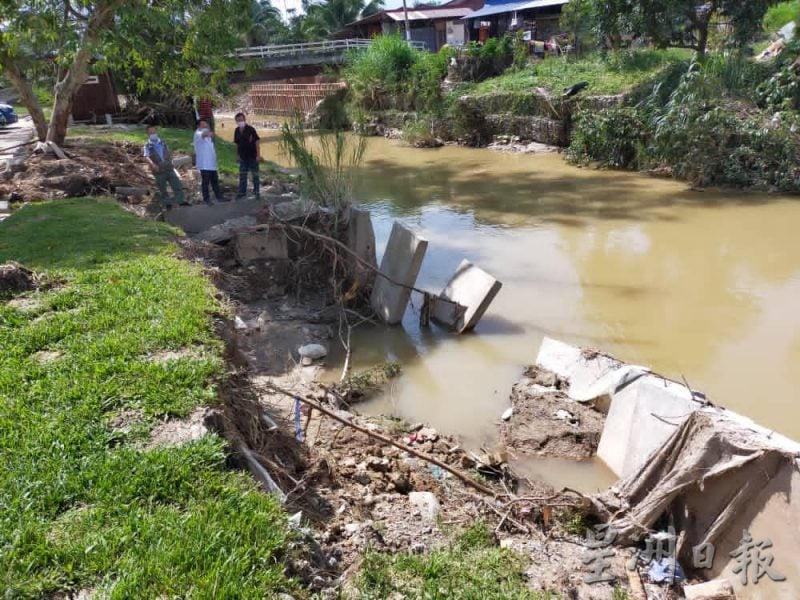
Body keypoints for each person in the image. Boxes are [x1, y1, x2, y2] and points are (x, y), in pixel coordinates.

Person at [143, 125, 186, 209]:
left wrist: (171, 161)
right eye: (150, 133)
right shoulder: (147, 146)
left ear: (156, 132)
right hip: (158, 170)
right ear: (147, 134)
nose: (153, 134)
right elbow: (146, 157)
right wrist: (152, 165)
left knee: (177, 185)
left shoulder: (163, 142)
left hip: (169, 168)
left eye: (154, 132)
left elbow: (168, 153)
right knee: (162, 188)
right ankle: (167, 204)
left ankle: (180, 201)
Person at [193, 119, 227, 205]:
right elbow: (204, 134)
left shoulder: (207, 136)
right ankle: (206, 199)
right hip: (204, 164)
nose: (205, 125)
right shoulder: (197, 133)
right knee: (206, 182)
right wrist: (209, 132)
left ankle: (219, 197)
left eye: (206, 123)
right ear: (198, 126)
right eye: (203, 124)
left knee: (215, 181)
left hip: (211, 163)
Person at [233, 112, 261, 200]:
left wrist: (258, 155)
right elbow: (237, 144)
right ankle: (242, 192)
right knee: (242, 175)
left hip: (252, 156)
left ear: (244, 120)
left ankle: (256, 192)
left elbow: (257, 142)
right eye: (238, 120)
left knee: (255, 175)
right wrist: (237, 155)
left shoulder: (251, 129)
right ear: (236, 121)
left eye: (241, 120)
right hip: (243, 157)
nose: (240, 121)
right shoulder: (236, 130)